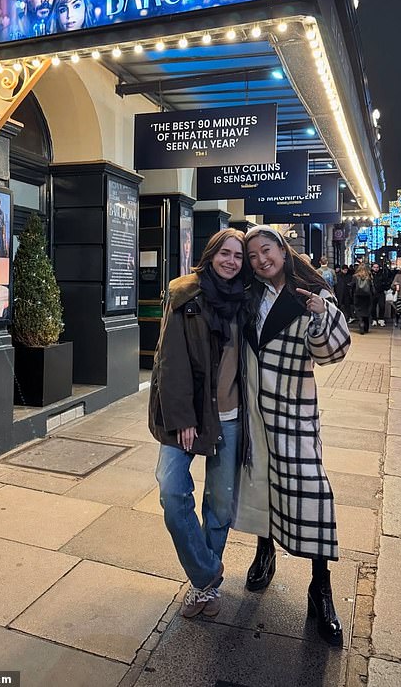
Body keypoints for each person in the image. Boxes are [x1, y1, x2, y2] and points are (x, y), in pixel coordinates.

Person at [234, 226, 351, 646]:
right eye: (253, 256)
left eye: (267, 251)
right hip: (254, 417)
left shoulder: (310, 293)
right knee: (262, 486)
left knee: (312, 494)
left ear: (283, 251)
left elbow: (332, 353)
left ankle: (321, 587)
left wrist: (321, 316)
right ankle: (265, 552)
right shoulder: (248, 295)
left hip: (293, 417)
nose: (261, 260)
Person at [148, 229, 247, 619]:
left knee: (220, 505)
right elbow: (168, 359)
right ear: (211, 253)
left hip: (233, 417)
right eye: (225, 252)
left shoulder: (246, 299)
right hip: (191, 416)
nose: (231, 261)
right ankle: (207, 574)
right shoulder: (184, 293)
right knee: (172, 492)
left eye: (238, 256)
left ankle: (201, 590)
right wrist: (182, 417)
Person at [349, 262, 374, 334]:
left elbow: (352, 287)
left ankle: (361, 323)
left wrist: (352, 296)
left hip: (357, 296)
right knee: (366, 311)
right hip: (367, 296)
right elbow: (372, 287)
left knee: (358, 311)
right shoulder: (369, 276)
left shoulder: (355, 276)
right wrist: (373, 294)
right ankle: (366, 327)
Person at [370, 262, 389, 327]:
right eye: (374, 267)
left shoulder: (382, 274)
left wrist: (384, 287)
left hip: (381, 292)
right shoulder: (370, 275)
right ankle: (374, 319)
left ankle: (381, 319)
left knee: (382, 306)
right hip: (372, 293)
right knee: (373, 307)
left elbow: (386, 282)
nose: (376, 269)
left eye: (377, 267)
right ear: (372, 267)